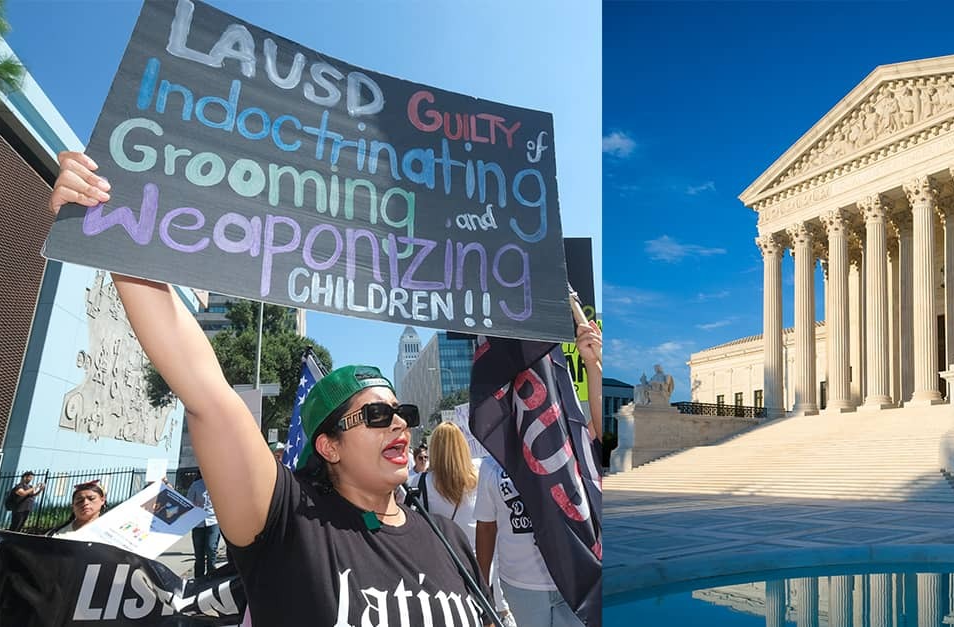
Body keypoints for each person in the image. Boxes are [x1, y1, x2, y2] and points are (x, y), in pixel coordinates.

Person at [49, 152, 490, 625]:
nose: (399, 422)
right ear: (329, 446)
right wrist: (106, 222)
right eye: (377, 416)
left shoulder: (449, 537)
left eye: (401, 412)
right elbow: (205, 391)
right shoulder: (288, 524)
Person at [419, 424, 516, 626]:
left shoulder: (419, 484)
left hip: (447, 570)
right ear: (464, 446)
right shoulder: (483, 474)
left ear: (434, 449)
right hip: (487, 569)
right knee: (497, 614)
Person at [475, 458, 581, 627]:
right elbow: (486, 527)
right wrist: (482, 585)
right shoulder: (491, 464)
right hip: (522, 585)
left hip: (574, 578)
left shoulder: (570, 445)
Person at [186, 473, 221, 578]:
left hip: (213, 521)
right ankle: (199, 578)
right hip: (198, 523)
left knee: (211, 548)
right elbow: (188, 502)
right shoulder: (196, 485)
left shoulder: (217, 485)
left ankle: (212, 575)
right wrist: (194, 506)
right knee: (199, 553)